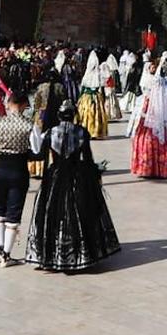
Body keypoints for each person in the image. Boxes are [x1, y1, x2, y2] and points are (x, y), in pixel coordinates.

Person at [28, 105, 121, 273]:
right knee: (79, 212)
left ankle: (51, 255)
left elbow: (42, 157)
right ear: (73, 116)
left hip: (55, 177)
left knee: (52, 214)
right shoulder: (82, 132)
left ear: (59, 115)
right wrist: (95, 171)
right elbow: (87, 157)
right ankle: (82, 254)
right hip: (77, 176)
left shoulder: (50, 133)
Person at [0, 98, 38, 266]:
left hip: (0, 170)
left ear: (8, 104)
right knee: (14, 211)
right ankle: (6, 254)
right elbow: (36, 149)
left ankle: (0, 249)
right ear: (24, 105)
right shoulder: (29, 125)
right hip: (19, 170)